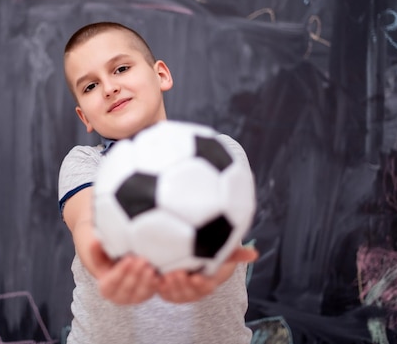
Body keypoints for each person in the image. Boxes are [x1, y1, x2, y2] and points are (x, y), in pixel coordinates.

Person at [57, 21, 258, 344]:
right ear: (85, 118)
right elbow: (88, 226)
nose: (109, 87)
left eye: (121, 68)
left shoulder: (219, 153)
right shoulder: (86, 164)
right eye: (90, 86)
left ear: (160, 75)